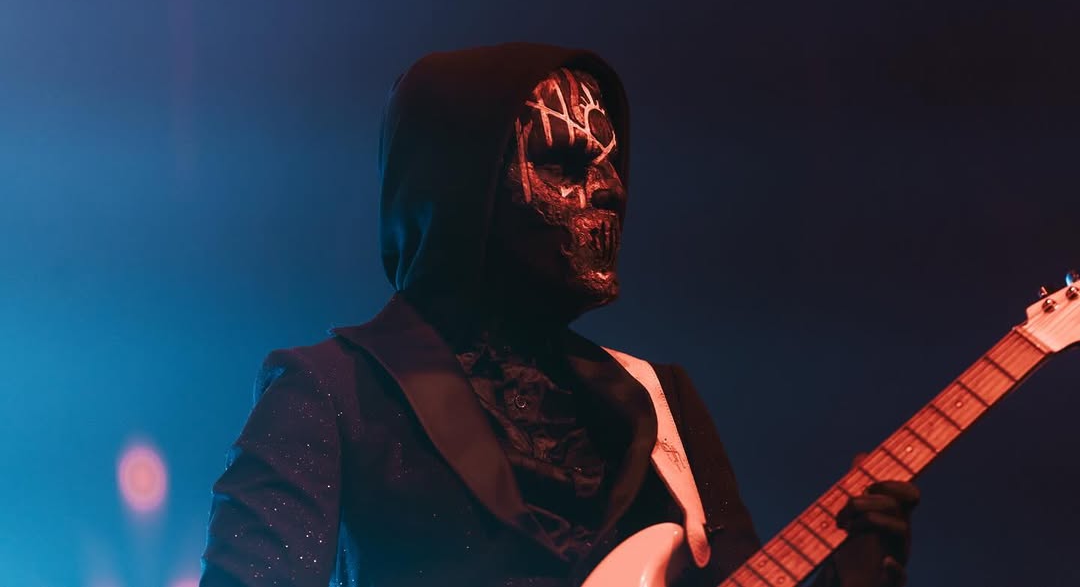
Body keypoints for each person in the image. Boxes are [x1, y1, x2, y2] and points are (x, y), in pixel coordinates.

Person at [199, 43, 919, 587]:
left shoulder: (662, 399)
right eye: (568, 164)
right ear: (461, 188)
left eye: (610, 164)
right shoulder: (330, 390)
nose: (609, 189)